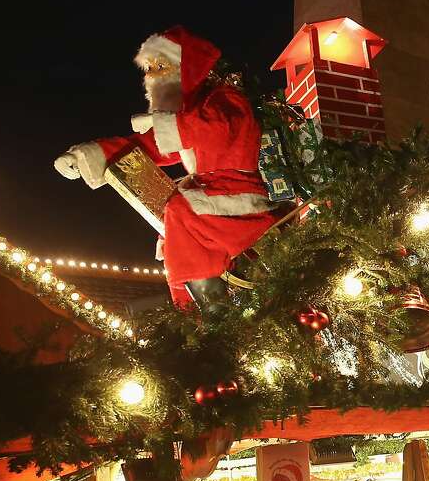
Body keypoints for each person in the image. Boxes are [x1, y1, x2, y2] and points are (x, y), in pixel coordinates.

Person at [53, 27, 278, 310]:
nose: (153, 78)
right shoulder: (185, 114)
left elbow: (218, 130)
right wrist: (86, 154)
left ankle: (214, 312)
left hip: (237, 194)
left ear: (187, 68)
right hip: (210, 196)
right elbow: (146, 147)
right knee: (172, 232)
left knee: (180, 211)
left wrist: (166, 125)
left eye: (161, 67)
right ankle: (190, 315)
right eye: (150, 70)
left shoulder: (226, 100)